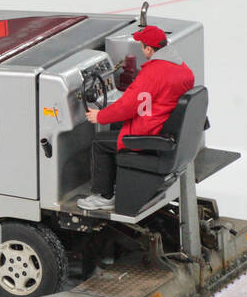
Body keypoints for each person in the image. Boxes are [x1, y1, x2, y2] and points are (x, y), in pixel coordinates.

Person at [77, 25, 194, 211]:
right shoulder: (182, 68)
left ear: (149, 49)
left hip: (149, 132)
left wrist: (100, 116)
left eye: (142, 46)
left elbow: (129, 106)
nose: (141, 50)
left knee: (99, 142)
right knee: (116, 124)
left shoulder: (153, 73)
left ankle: (104, 195)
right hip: (166, 126)